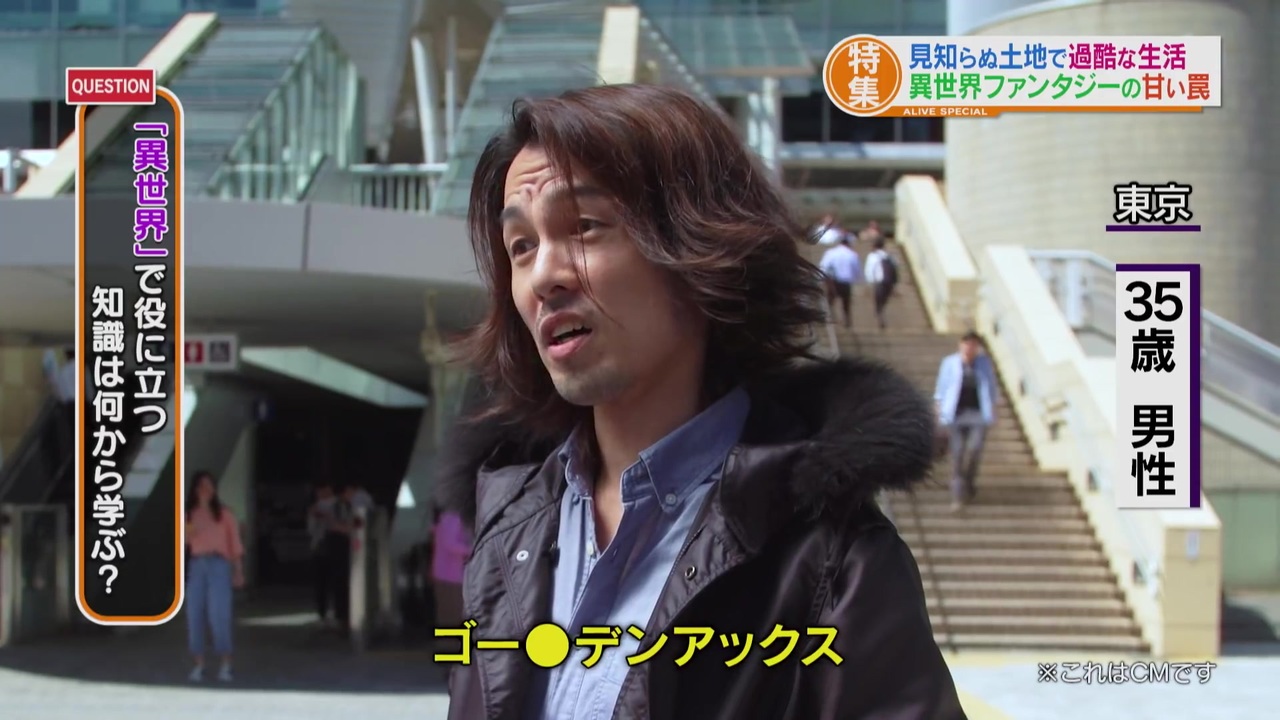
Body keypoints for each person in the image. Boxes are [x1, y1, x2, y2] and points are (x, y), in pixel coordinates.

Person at [436, 84, 963, 720]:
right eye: (521, 246)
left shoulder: (831, 560)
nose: (543, 275)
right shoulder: (509, 525)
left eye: (583, 227)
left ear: (697, 247)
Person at [184, 470, 245, 682]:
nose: (206, 490)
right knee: (194, 613)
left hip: (219, 563)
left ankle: (226, 663)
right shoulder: (189, 514)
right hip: (197, 564)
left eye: (210, 486)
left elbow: (235, 544)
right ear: (195, 489)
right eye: (202, 486)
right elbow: (185, 541)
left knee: (219, 613)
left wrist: (238, 570)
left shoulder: (225, 514)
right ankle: (199, 663)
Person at [933, 331, 1000, 513]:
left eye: (973, 345)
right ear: (961, 345)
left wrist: (993, 408)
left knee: (975, 449)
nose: (970, 348)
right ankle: (957, 495)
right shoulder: (950, 363)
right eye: (967, 344)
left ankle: (969, 481)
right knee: (957, 453)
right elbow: (941, 388)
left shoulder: (984, 363)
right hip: (955, 414)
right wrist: (939, 411)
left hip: (977, 414)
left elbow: (991, 386)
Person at [429, 507, 470, 657]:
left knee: (448, 615)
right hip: (451, 576)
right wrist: (472, 549)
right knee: (452, 614)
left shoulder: (446, 519)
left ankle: (449, 650)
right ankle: (451, 651)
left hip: (446, 574)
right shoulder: (452, 518)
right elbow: (451, 544)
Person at [307, 482, 336, 625]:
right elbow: (311, 529)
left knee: (323, 583)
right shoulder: (317, 507)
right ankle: (328, 612)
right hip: (324, 547)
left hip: (325, 547)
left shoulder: (332, 504)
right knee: (326, 583)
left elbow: (311, 529)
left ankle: (324, 613)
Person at [817, 236, 860, 329]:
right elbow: (856, 269)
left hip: (833, 281)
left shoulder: (831, 252)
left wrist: (821, 278)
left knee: (830, 301)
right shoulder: (852, 254)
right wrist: (856, 279)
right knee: (846, 302)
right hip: (846, 282)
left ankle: (827, 318)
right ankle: (847, 321)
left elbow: (824, 266)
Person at [864, 236, 898, 331]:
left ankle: (879, 314)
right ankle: (880, 313)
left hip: (879, 282)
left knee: (878, 300)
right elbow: (896, 266)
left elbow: (869, 269)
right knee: (883, 300)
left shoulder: (872, 256)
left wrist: (869, 282)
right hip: (889, 282)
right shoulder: (889, 255)